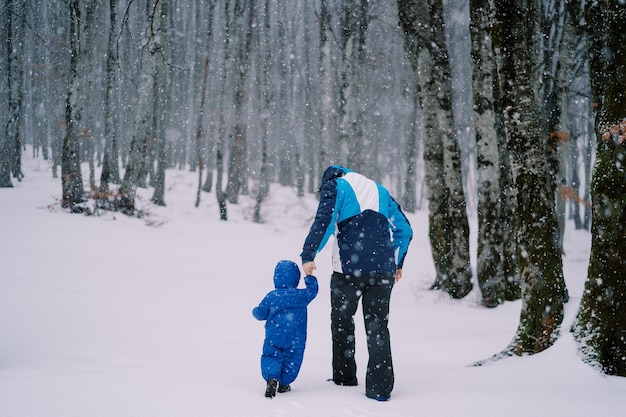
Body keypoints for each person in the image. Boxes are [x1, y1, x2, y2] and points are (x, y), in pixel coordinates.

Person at [301, 165, 412, 401]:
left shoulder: (336, 186)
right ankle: (380, 389)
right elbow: (405, 230)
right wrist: (397, 262)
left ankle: (344, 377)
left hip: (347, 271)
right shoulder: (380, 190)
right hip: (383, 271)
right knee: (378, 326)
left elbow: (325, 222)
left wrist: (309, 254)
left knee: (342, 321)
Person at [252, 260, 319, 398]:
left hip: (274, 334)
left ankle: (272, 378)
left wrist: (255, 311)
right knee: (292, 357)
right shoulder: (301, 296)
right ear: (296, 279)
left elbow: (260, 313)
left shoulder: (272, 296)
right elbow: (313, 291)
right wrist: (309, 276)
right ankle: (285, 382)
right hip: (295, 336)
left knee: (271, 355)